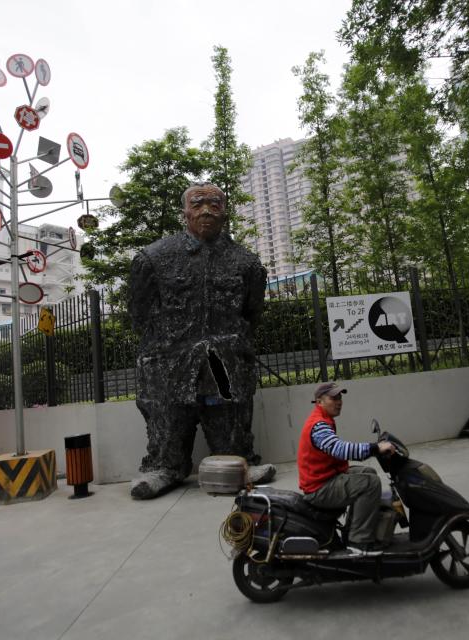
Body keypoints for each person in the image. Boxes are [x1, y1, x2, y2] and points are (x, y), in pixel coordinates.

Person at [127, 183, 275, 499]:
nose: (206, 210)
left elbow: (252, 313)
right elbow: (138, 313)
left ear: (225, 212)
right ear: (185, 212)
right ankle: (164, 468)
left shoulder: (245, 263)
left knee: (230, 415)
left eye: (214, 203)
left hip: (224, 356)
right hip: (169, 358)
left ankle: (239, 462)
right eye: (198, 204)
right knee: (168, 418)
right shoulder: (153, 258)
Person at [298, 382, 395, 554]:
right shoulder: (318, 425)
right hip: (319, 488)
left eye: (340, 397)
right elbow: (339, 449)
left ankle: (352, 530)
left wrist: (375, 448)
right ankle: (359, 542)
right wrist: (375, 448)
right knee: (370, 483)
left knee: (368, 472)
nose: (339, 401)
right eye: (333, 398)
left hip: (326, 477)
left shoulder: (323, 420)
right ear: (319, 401)